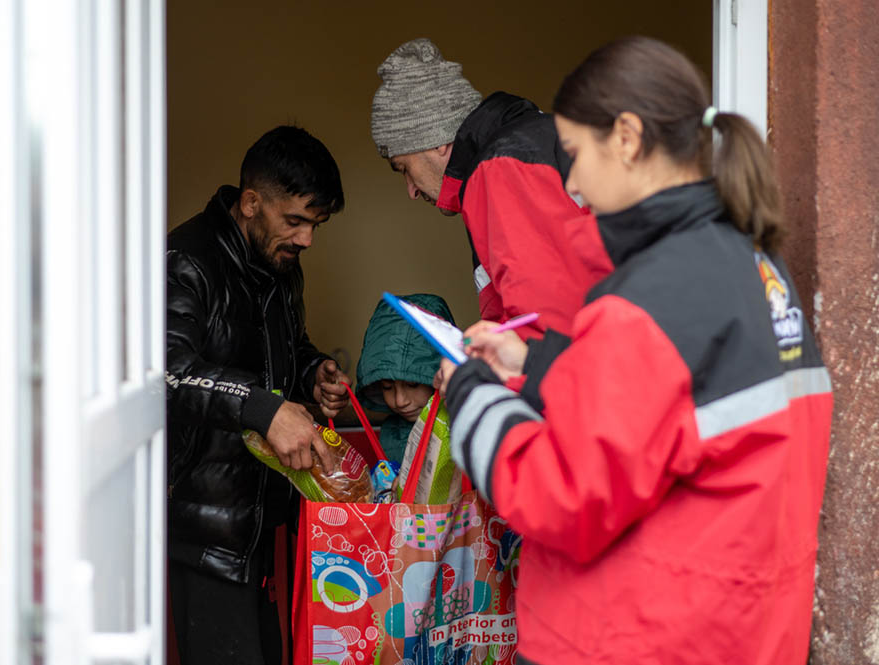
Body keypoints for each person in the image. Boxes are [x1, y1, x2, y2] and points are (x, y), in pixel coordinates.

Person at [439, 37, 833, 665]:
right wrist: (535, 366)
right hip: (737, 630)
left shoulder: (647, 297)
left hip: (634, 635)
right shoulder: (754, 267)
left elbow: (561, 497)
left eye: (574, 153)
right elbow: (672, 415)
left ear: (624, 137)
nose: (570, 180)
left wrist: (471, 392)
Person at [165, 125, 351, 665]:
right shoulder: (187, 258)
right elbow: (169, 374)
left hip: (267, 524)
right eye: (295, 221)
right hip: (206, 533)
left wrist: (314, 374)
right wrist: (264, 408)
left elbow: (286, 350)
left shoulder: (280, 265)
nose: (306, 240)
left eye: (315, 225)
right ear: (251, 203)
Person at [369, 37, 611, 341]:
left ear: (436, 140)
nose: (411, 190)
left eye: (404, 168)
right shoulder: (526, 145)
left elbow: (545, 326)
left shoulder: (503, 166)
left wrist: (479, 376)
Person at [354, 293, 455, 464]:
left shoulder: (464, 432)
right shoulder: (390, 433)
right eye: (387, 387)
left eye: (412, 384)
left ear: (439, 373)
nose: (400, 401)